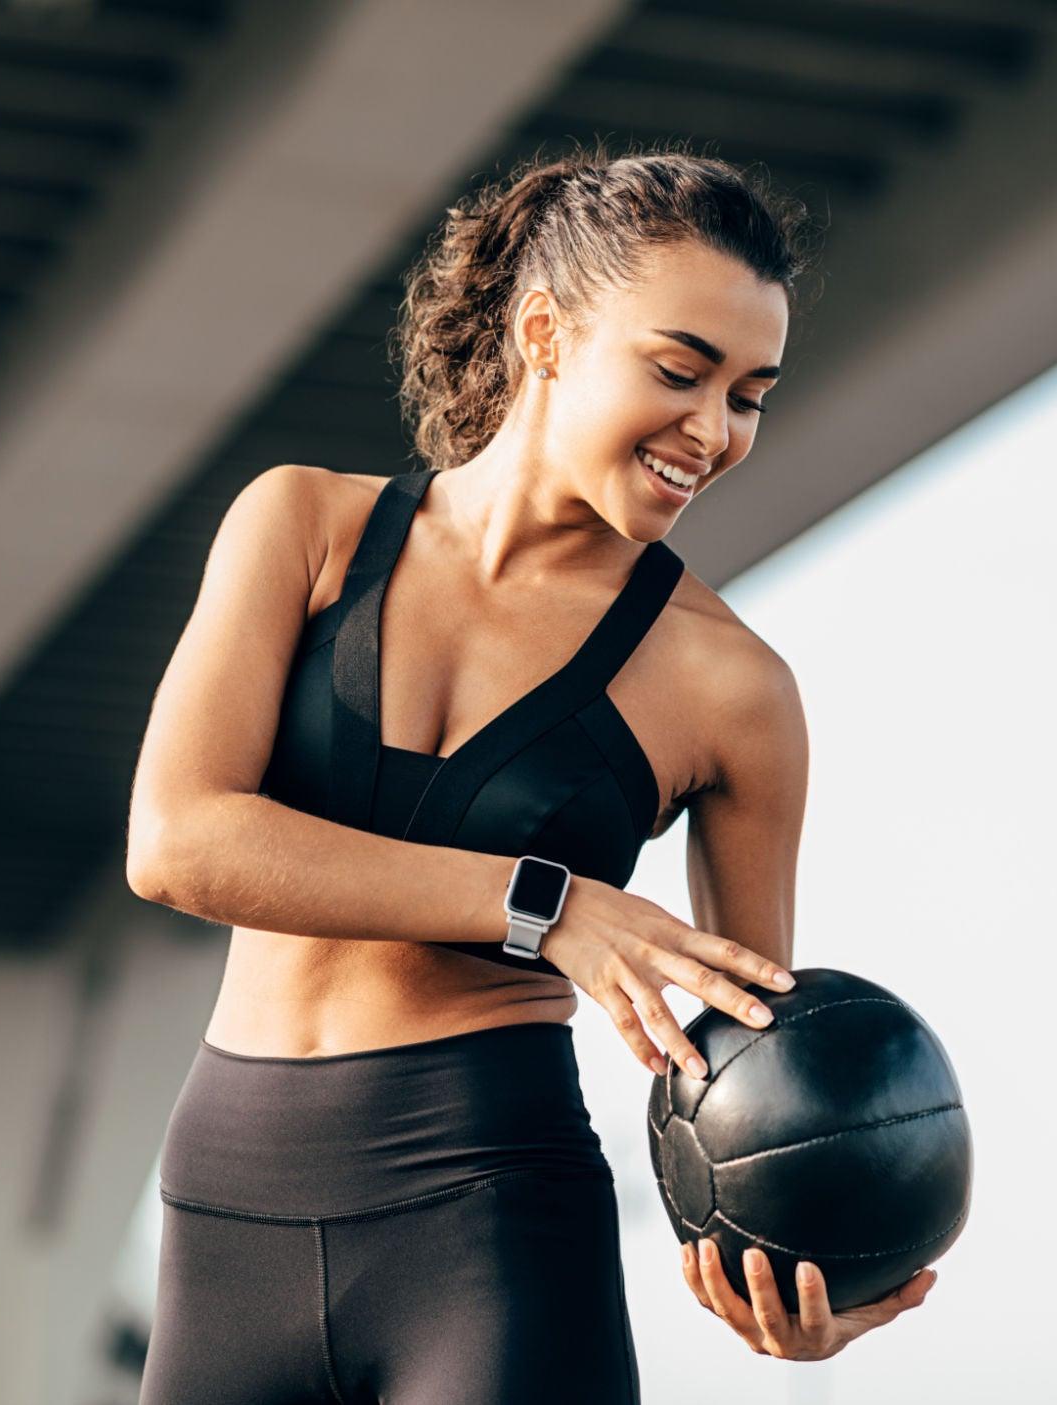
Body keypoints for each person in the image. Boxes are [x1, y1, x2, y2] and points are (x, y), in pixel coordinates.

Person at [125, 141, 937, 1402]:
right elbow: (179, 842)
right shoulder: (302, 527)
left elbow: (741, 1057)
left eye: (749, 395)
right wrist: (546, 907)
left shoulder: (732, 689)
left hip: (488, 1223)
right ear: (547, 334)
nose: (711, 431)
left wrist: (801, 1268)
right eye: (679, 371)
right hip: (228, 1207)